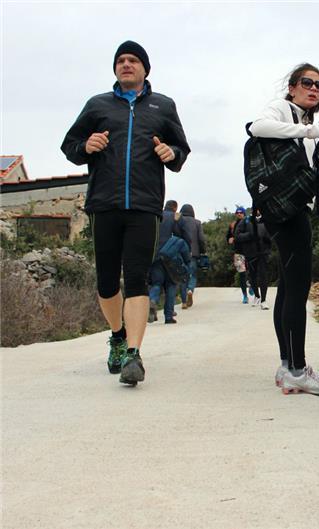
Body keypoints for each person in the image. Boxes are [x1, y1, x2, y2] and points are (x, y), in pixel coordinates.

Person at [61, 40, 190, 385]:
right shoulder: (97, 105)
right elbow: (69, 146)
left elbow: (182, 150)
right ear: (115, 69)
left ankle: (133, 354)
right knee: (106, 282)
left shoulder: (163, 106)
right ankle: (117, 334)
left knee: (136, 278)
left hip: (145, 206)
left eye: (133, 60)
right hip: (104, 203)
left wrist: (171, 153)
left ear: (146, 69)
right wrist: (85, 147)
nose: (126, 64)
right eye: (121, 60)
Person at [248, 62, 319, 395]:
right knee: (297, 287)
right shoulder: (282, 109)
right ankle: (298, 369)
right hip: (283, 209)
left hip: (293, 208)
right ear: (292, 86)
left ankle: (287, 366)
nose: (314, 88)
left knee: (288, 286)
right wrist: (309, 132)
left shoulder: (309, 120)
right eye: (307, 82)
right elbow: (257, 127)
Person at [148, 200, 188, 324]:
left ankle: (152, 301)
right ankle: (169, 317)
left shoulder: (154, 215)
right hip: (171, 255)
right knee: (171, 285)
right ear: (175, 208)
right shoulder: (176, 217)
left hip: (154, 255)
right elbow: (183, 236)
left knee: (156, 282)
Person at [234, 208, 272, 310]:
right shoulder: (246, 221)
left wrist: (267, 237)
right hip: (250, 253)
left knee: (263, 275)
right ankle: (257, 296)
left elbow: (273, 235)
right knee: (252, 276)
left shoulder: (267, 219)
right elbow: (237, 236)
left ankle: (264, 300)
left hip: (263, 253)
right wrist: (249, 236)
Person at [179, 203, 206, 308]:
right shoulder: (197, 223)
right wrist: (203, 251)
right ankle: (190, 289)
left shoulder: (179, 221)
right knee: (193, 274)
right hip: (194, 253)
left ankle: (184, 301)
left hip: (181, 252)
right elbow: (201, 239)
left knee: (182, 276)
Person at [226, 206, 250, 303]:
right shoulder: (233, 225)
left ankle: (252, 285)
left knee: (251, 272)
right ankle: (245, 295)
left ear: (244, 214)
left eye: (241, 212)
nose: (239, 214)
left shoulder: (249, 223)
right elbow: (228, 236)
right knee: (242, 274)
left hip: (249, 251)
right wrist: (229, 239)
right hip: (238, 252)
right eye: (238, 213)